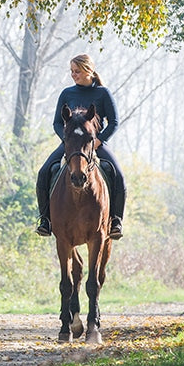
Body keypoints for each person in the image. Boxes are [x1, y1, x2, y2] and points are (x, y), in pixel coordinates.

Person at [35, 54, 126, 239]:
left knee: (119, 176)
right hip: (71, 146)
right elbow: (57, 124)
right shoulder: (67, 94)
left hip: (95, 145)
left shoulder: (103, 93)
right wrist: (67, 141)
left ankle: (116, 220)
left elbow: (114, 122)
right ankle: (45, 219)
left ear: (88, 71)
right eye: (72, 71)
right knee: (44, 172)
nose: (73, 75)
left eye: (76, 71)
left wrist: (99, 141)